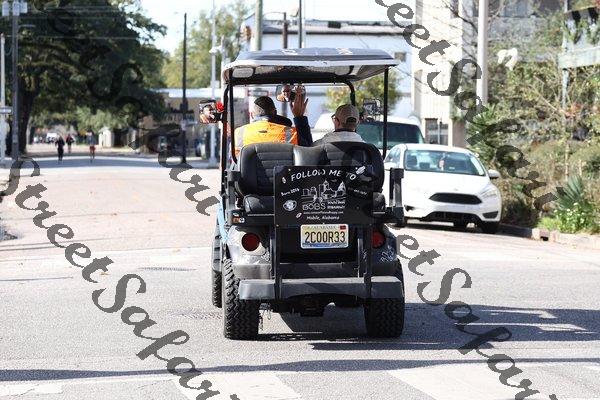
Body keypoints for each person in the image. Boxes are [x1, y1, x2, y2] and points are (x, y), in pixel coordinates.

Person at [234, 87, 311, 155]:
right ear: (275, 112)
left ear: (251, 115)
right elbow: (309, 152)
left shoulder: (239, 133)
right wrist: (299, 117)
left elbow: (236, 160)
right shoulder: (290, 133)